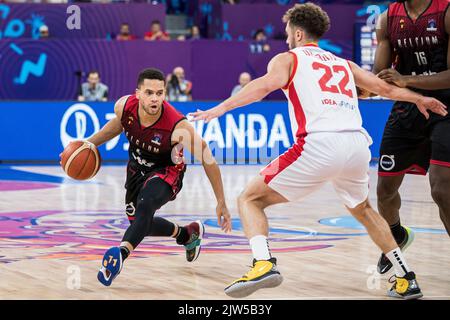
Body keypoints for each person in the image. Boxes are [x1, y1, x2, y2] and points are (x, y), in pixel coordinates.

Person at [191, 3, 447, 299]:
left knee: (249, 199)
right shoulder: (344, 64)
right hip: (356, 146)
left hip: (319, 144)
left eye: (288, 32)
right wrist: (419, 99)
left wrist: (220, 108)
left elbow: (262, 87)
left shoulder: (287, 59)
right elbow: (384, 89)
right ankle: (406, 277)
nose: (286, 38)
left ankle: (263, 263)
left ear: (298, 33)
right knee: (364, 210)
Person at [62, 68, 231, 286]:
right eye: (149, 93)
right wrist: (85, 145)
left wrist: (221, 202)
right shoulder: (124, 106)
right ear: (138, 93)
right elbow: (118, 125)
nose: (155, 98)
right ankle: (187, 234)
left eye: (159, 93)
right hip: (136, 167)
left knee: (146, 205)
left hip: (167, 171)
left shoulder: (178, 127)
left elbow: (209, 159)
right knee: (140, 223)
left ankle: (119, 255)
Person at [363, 0, 450, 276]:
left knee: (441, 189)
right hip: (407, 108)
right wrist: (357, 84)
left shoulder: (446, 11)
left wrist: (405, 81)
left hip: (445, 107)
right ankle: (396, 235)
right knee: (384, 191)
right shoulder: (387, 19)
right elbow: (382, 75)